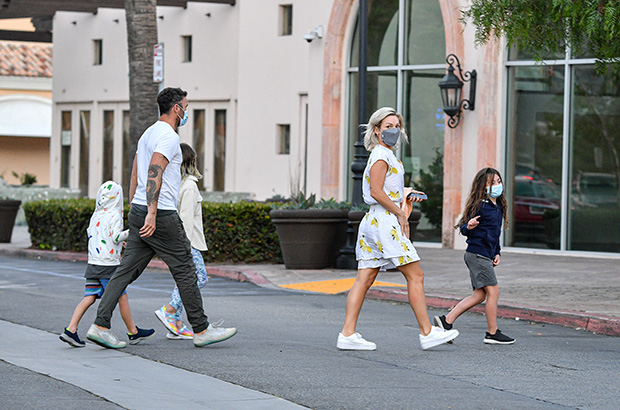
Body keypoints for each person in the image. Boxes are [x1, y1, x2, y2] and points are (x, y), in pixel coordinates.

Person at [86, 87, 237, 349]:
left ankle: (100, 325)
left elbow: (135, 173)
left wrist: (135, 209)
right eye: (186, 107)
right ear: (176, 108)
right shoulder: (167, 136)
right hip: (161, 213)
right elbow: (155, 169)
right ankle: (201, 329)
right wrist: (153, 214)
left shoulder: (148, 134)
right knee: (185, 268)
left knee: (124, 272)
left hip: (139, 209)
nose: (187, 111)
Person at [337, 107, 459, 351]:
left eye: (396, 126)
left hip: (374, 222)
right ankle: (427, 332)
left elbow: (382, 190)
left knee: (365, 279)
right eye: (388, 127)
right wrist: (399, 213)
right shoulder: (381, 156)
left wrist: (404, 195)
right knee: (416, 275)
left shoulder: (385, 155)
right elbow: (375, 191)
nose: (393, 130)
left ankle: (347, 334)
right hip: (384, 224)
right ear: (376, 130)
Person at [59, 181, 154, 348]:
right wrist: (133, 232)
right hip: (108, 265)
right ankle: (133, 331)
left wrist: (117, 244)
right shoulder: (114, 215)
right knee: (122, 296)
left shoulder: (96, 215)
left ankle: (70, 329)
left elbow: (100, 237)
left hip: (93, 263)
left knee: (89, 297)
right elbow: (116, 237)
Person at [433, 167, 515, 345]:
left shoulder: (498, 206)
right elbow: (464, 227)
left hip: (484, 255)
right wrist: (468, 226)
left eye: (498, 182)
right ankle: (492, 333)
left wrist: (497, 252)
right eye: (492, 183)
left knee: (479, 295)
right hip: (477, 254)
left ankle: (446, 321)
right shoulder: (481, 206)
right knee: (494, 292)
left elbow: (495, 233)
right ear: (483, 186)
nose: (497, 185)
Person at [155, 143, 209, 340]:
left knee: (183, 280)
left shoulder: (176, 185)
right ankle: (169, 310)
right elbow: (185, 220)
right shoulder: (190, 186)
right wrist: (184, 247)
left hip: (181, 242)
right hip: (189, 243)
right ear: (191, 161)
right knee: (199, 278)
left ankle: (175, 324)